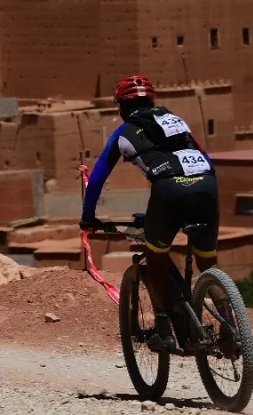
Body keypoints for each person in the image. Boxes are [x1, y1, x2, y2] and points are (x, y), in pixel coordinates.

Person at [80, 74, 220, 349]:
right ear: (153, 101)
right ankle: (229, 328)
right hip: (207, 186)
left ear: (121, 108)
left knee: (156, 258)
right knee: (208, 262)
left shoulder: (123, 132)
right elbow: (207, 159)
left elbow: (96, 179)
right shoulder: (177, 121)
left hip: (168, 191)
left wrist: (88, 217)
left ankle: (165, 331)